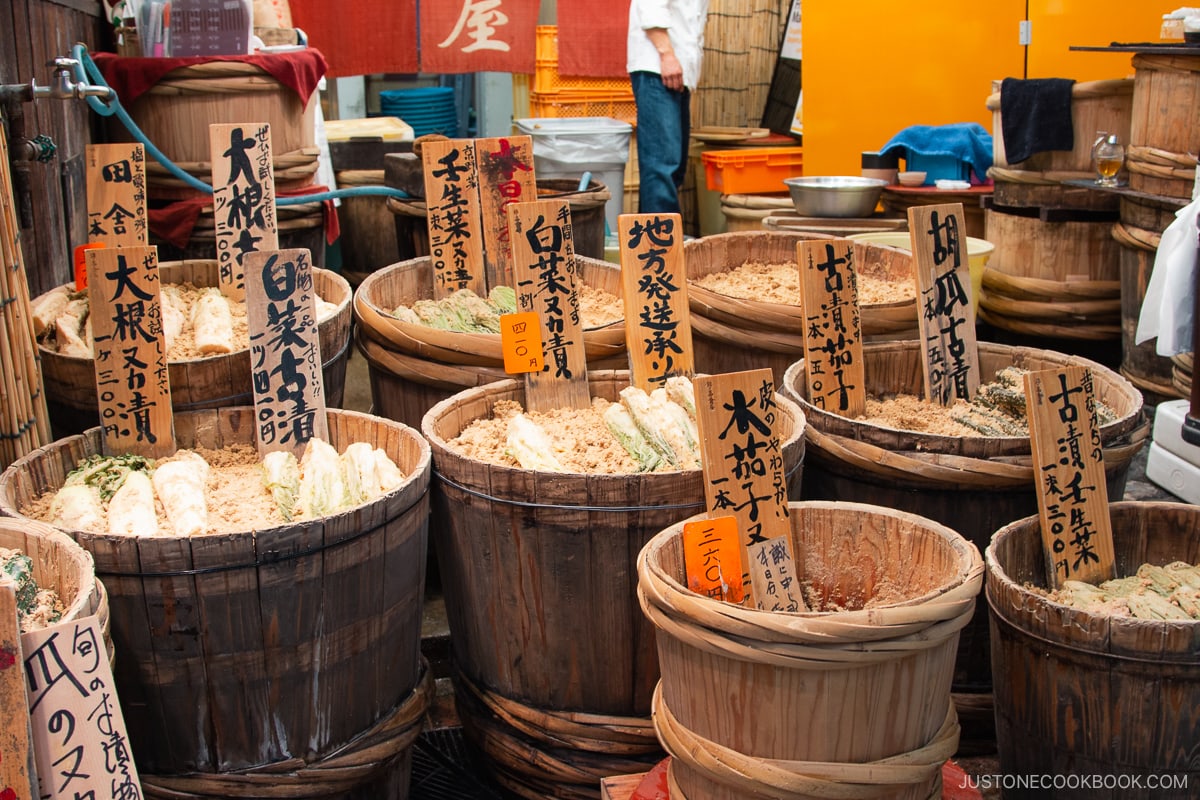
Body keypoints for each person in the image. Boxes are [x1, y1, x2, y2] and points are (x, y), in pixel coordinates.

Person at [627, 0, 710, 215]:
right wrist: (667, 54)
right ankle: (663, 244)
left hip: (676, 69)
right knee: (662, 167)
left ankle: (649, 241)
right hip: (658, 65)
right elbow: (651, 6)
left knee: (673, 167)